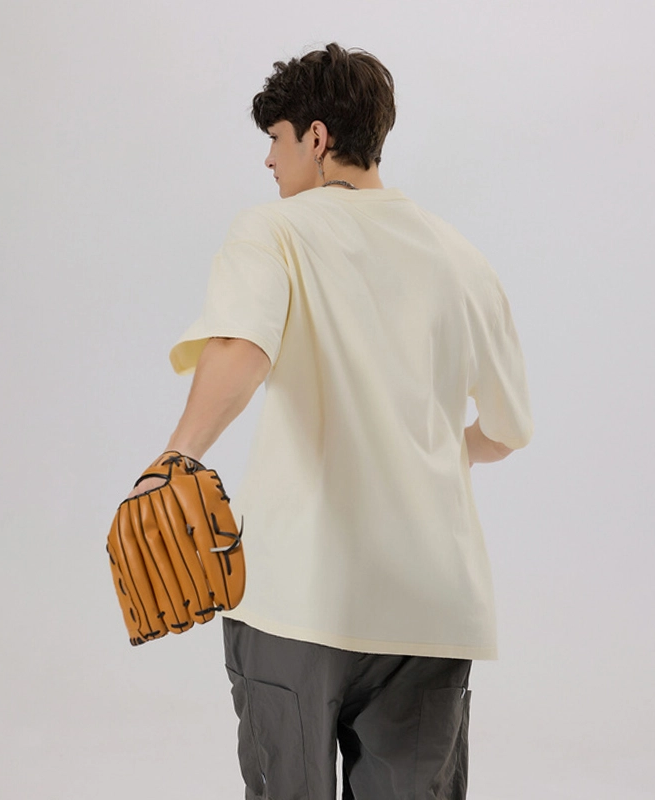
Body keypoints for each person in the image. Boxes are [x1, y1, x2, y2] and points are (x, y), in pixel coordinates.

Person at [127, 42, 533, 800]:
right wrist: (434, 450)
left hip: (300, 596)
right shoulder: (463, 260)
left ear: (316, 138)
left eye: (276, 139)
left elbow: (242, 347)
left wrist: (175, 458)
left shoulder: (277, 231)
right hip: (432, 608)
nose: (269, 161)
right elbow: (506, 432)